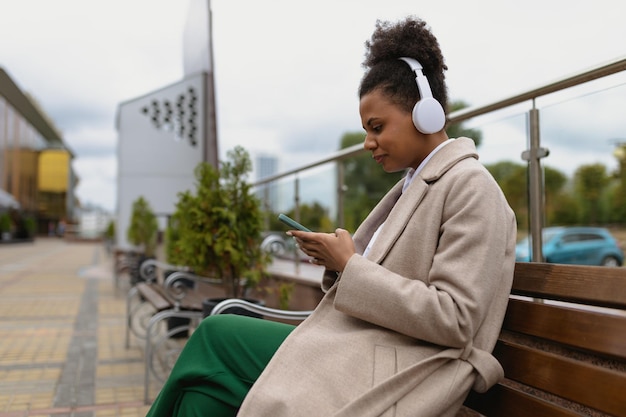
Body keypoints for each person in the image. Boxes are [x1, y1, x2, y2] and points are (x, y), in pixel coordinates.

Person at [145, 15, 517, 417]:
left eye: (377, 127)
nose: (367, 142)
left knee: (217, 334)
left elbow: (456, 320)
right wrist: (339, 264)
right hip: (362, 347)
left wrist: (350, 265)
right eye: (366, 129)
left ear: (426, 114)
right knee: (204, 394)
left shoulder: (471, 187)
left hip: (404, 368)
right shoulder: (415, 184)